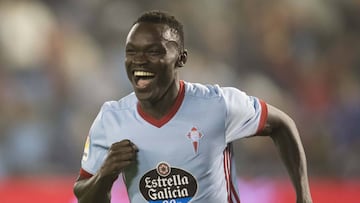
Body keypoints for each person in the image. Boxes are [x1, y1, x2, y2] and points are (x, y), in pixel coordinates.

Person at [73, 10, 312, 203]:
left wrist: (304, 196)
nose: (139, 61)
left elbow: (281, 124)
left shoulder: (218, 105)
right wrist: (105, 175)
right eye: (131, 52)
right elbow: (84, 196)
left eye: (154, 51)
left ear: (181, 58)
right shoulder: (111, 119)